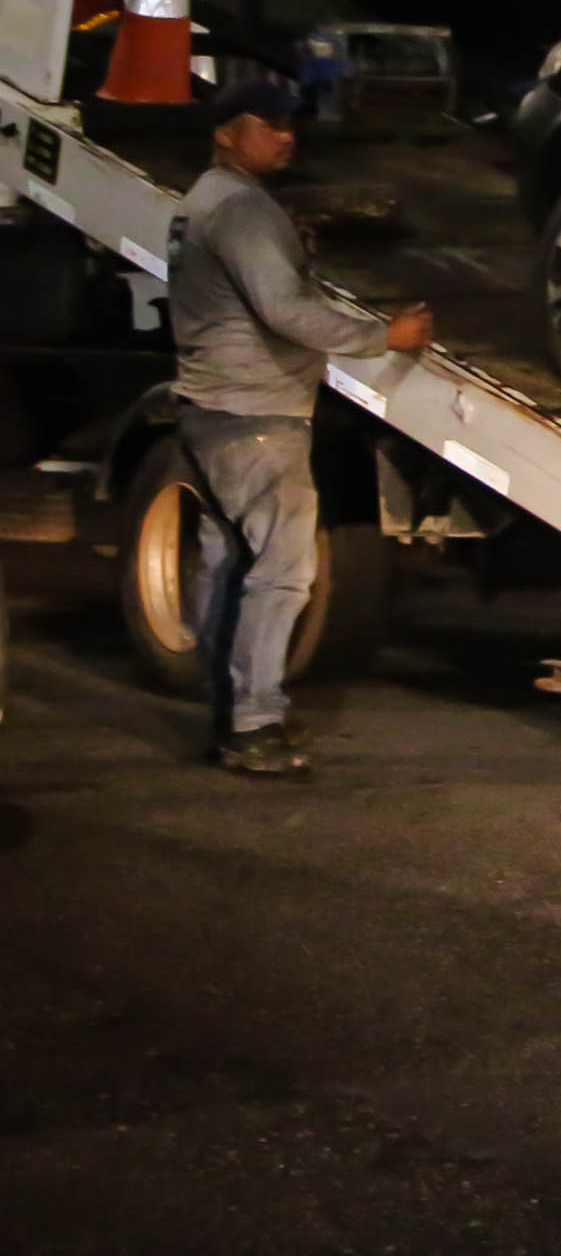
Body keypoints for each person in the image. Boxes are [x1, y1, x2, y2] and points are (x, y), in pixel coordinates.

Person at [168, 72, 433, 776]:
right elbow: (284, 311)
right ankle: (254, 724)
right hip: (255, 416)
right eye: (269, 124)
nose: (287, 136)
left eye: (291, 124)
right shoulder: (242, 211)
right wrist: (388, 335)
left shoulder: (203, 201)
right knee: (283, 575)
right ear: (227, 133)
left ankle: (228, 719)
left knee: (229, 568)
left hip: (211, 410)